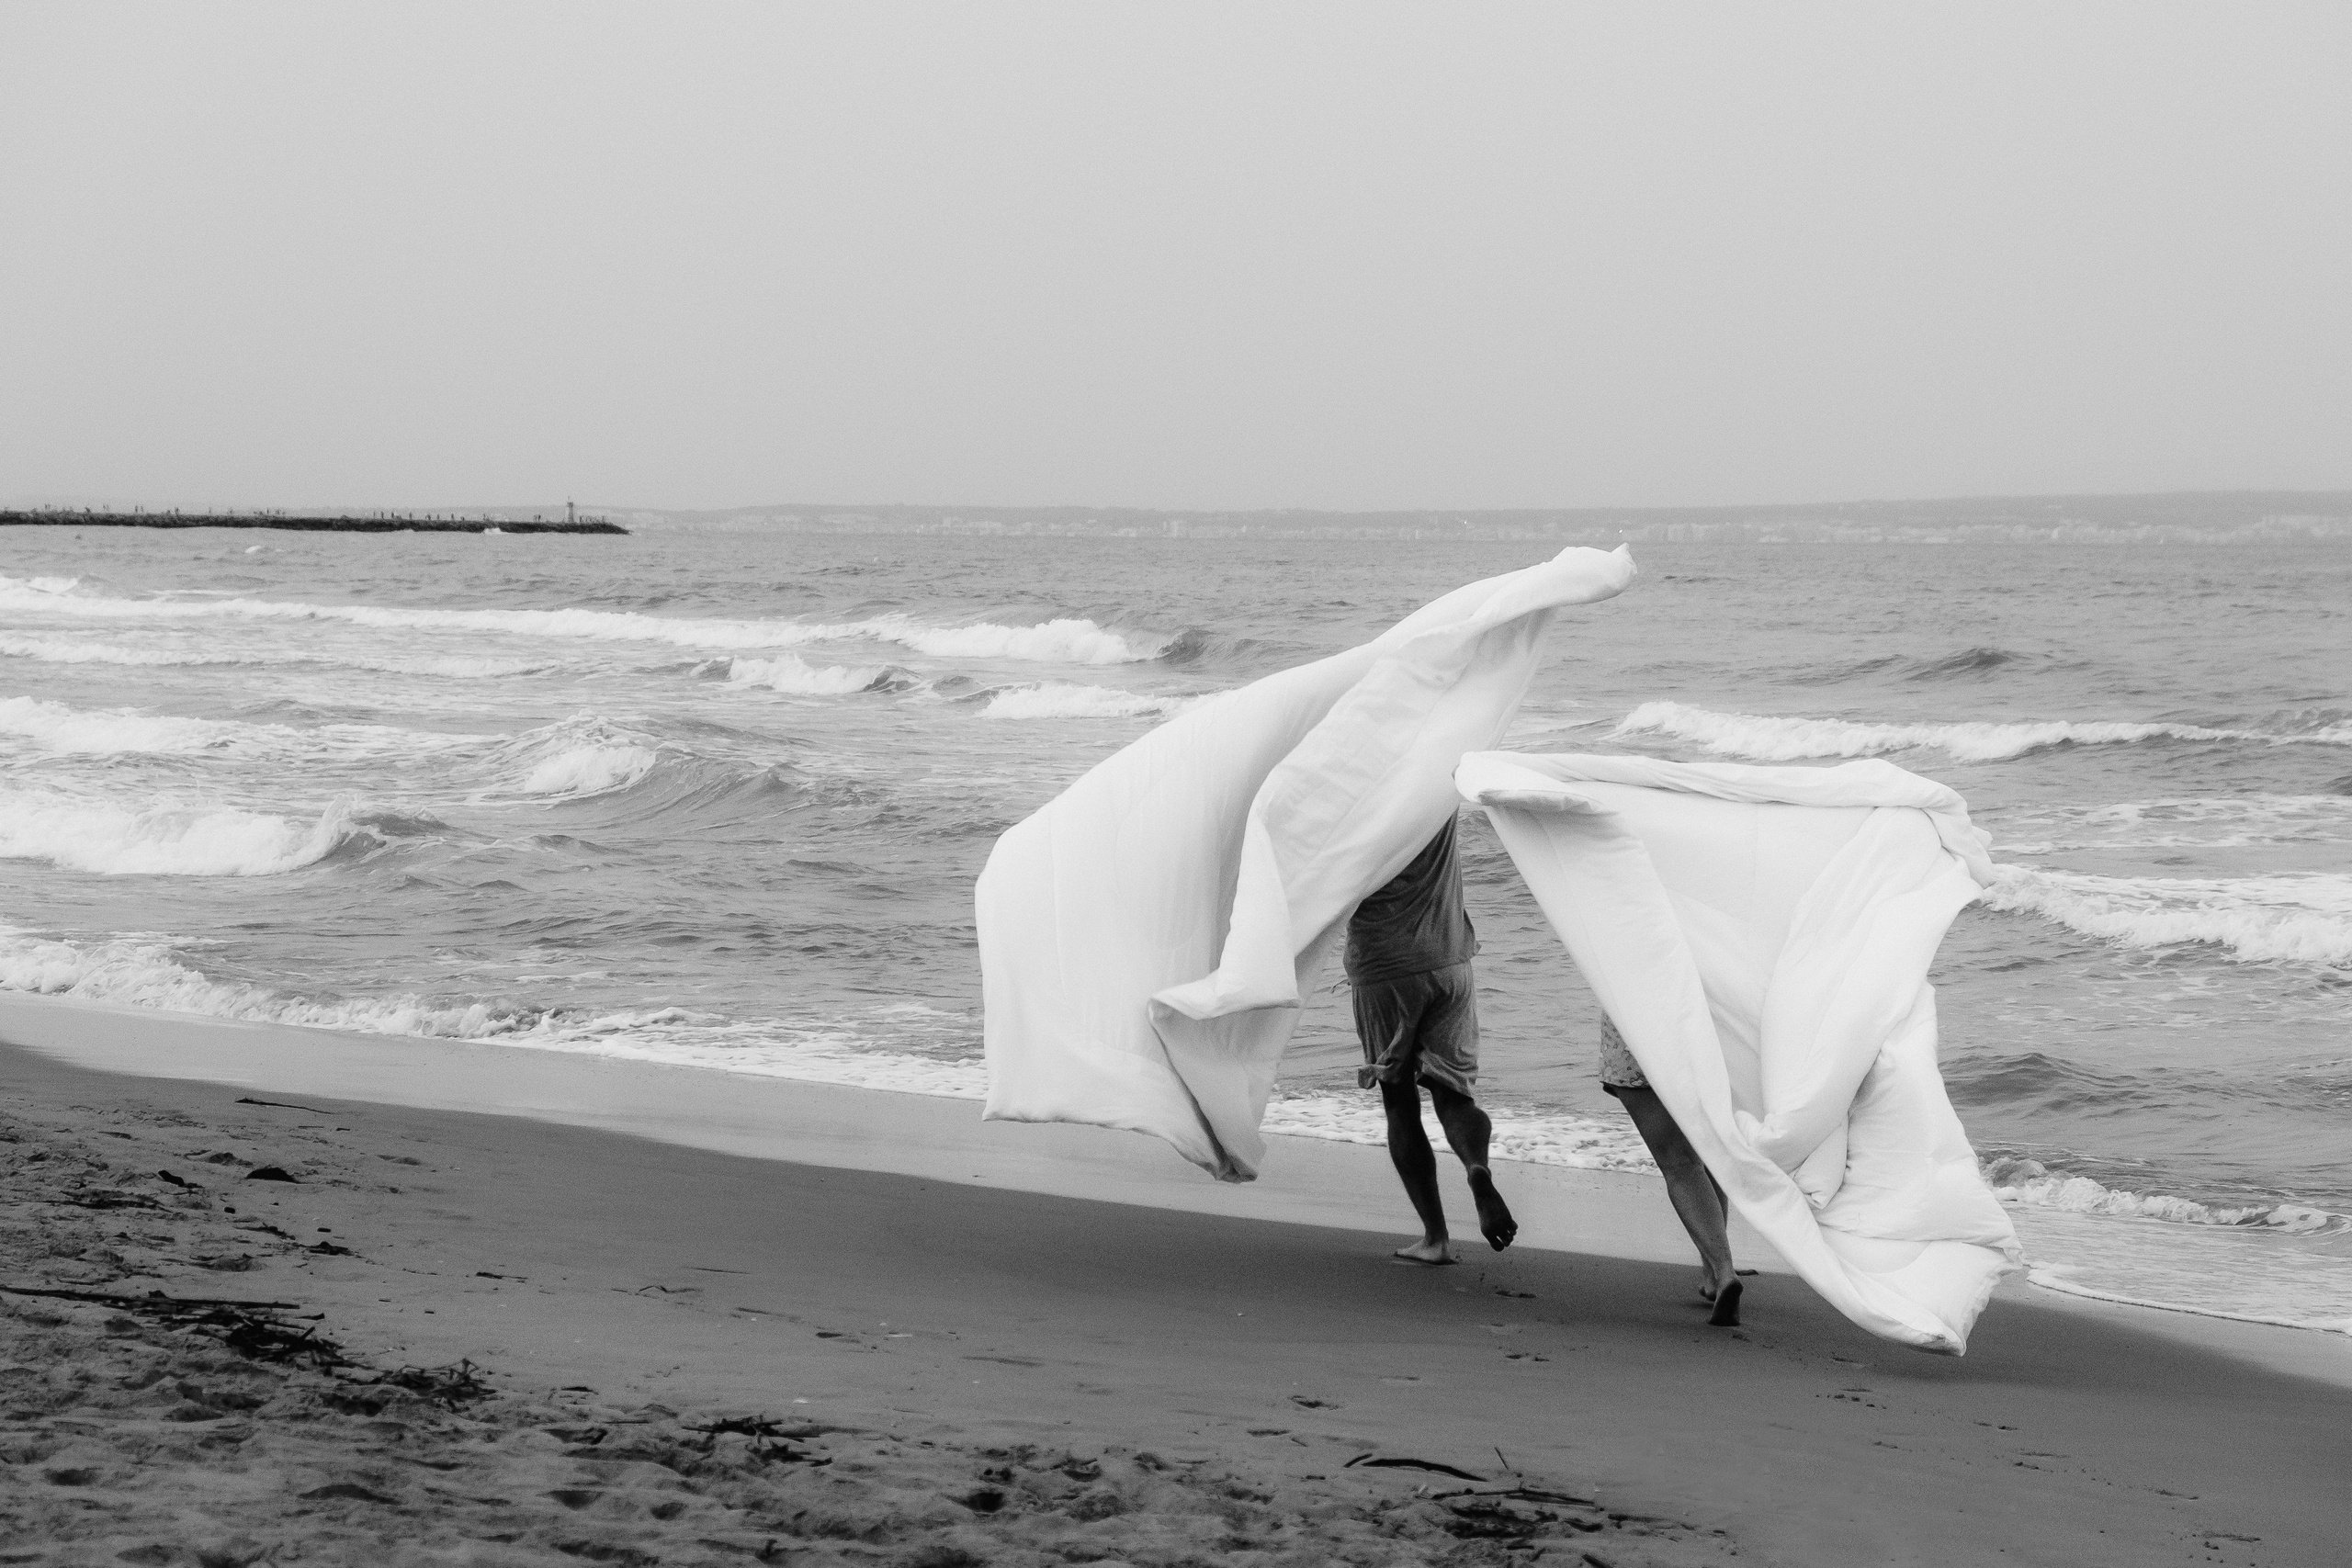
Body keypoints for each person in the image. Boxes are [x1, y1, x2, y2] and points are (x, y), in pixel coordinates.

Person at [1348, 813, 1516, 1264]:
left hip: (1383, 967)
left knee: (1399, 1101)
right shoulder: (1436, 790)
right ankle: (1475, 1166)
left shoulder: (1356, 804)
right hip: (1450, 961)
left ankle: (1436, 1238)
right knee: (1453, 1094)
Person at [1599, 1015, 1745, 1325]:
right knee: (1708, 1154)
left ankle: (1722, 1270)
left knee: (1680, 1164)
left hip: (1634, 1033)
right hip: (1695, 1029)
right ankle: (1713, 1273)